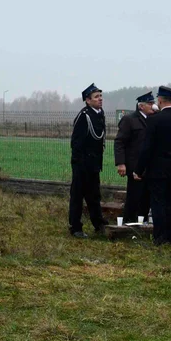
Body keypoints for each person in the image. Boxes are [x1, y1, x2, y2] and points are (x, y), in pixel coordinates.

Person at [133, 86, 171, 246]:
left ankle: (160, 238)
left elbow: (147, 148)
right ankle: (170, 238)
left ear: (159, 101)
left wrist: (139, 169)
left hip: (156, 169)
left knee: (158, 204)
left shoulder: (153, 120)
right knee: (169, 203)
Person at [69, 83, 108, 238]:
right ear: (87, 100)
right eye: (96, 97)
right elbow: (76, 143)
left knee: (94, 195)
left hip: (94, 163)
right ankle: (75, 227)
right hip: (82, 164)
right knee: (78, 196)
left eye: (100, 96)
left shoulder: (99, 114)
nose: (100, 99)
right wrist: (80, 164)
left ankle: (98, 223)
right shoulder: (84, 116)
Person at [114, 92, 155, 223]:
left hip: (149, 165)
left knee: (146, 197)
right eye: (149, 104)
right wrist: (121, 163)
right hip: (134, 165)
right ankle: (129, 222)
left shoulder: (153, 119)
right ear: (141, 106)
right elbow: (119, 142)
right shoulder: (129, 120)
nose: (152, 106)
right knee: (134, 196)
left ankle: (142, 222)